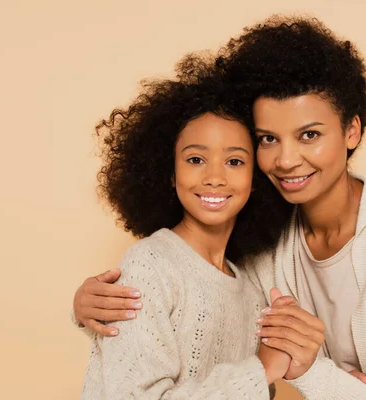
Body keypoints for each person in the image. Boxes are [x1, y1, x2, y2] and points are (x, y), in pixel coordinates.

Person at [74, 16, 366, 399]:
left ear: (351, 130)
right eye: (267, 139)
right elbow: (187, 290)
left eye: (309, 135)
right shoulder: (265, 240)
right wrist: (90, 309)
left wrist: (314, 374)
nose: (285, 159)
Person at [80, 55, 310, 399]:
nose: (215, 177)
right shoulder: (148, 265)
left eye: (234, 161)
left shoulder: (251, 287)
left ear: (256, 178)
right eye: (195, 159)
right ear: (170, 173)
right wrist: (259, 371)